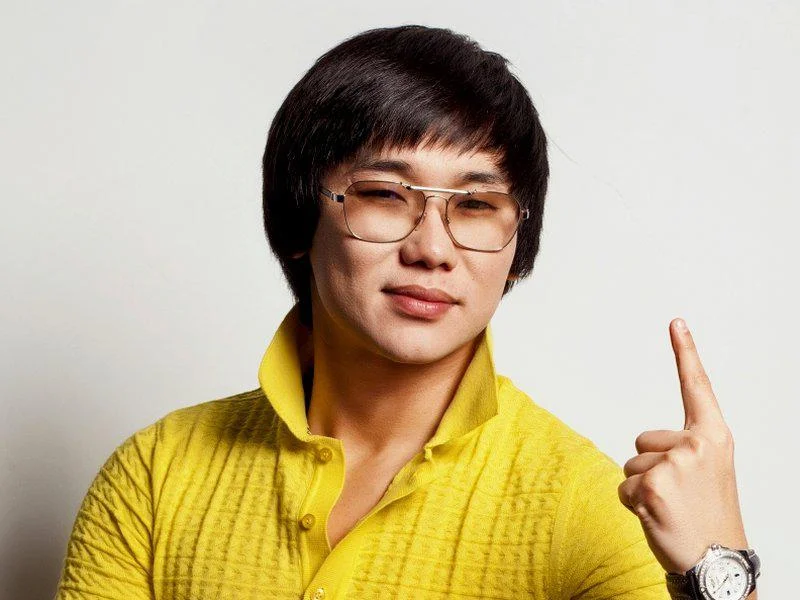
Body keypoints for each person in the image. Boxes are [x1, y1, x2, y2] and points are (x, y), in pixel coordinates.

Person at [55, 25, 757, 600]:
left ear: (516, 248)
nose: (432, 249)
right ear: (300, 217)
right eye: (385, 195)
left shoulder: (588, 504)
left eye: (476, 206)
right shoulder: (157, 475)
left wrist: (718, 566)